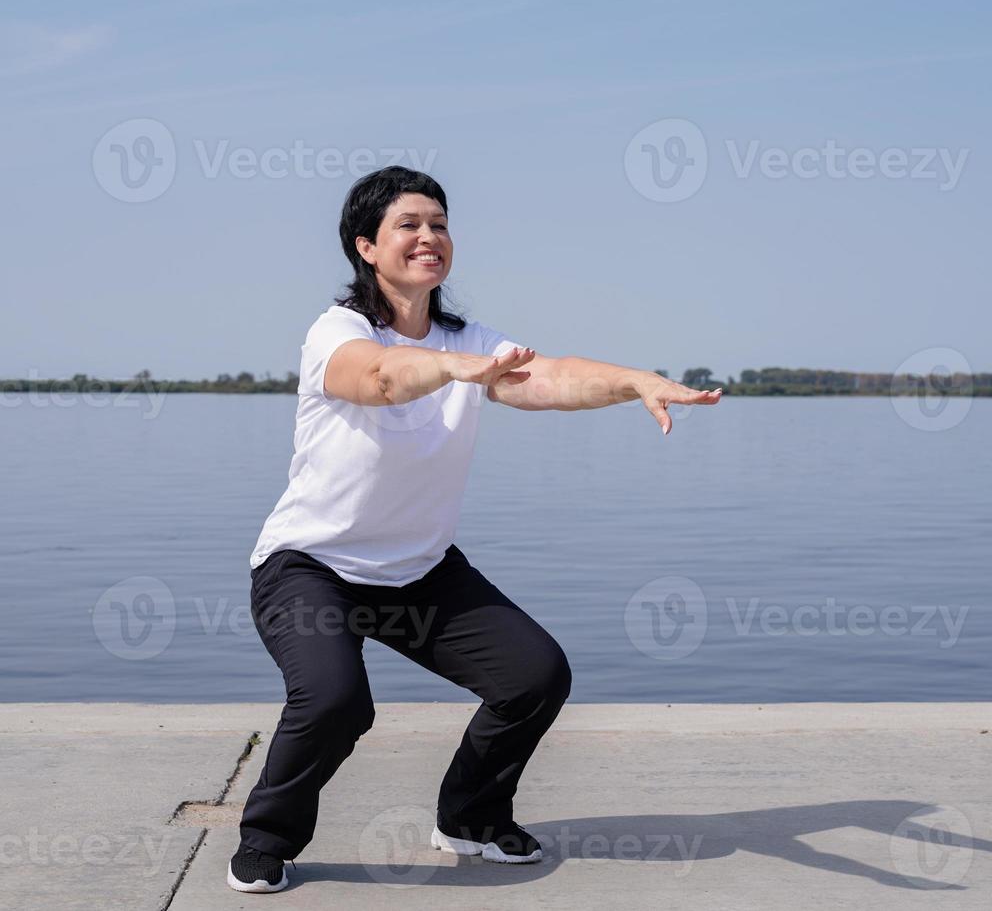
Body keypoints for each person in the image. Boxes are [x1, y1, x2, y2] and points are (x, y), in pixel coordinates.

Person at [227, 166, 721, 893]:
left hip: (419, 571)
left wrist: (633, 381)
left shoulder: (472, 340)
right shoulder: (338, 332)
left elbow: (550, 378)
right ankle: (266, 838)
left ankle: (472, 817)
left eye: (440, 224)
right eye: (409, 225)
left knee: (535, 676)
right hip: (310, 567)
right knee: (335, 702)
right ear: (366, 246)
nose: (430, 237)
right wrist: (458, 367)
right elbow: (382, 380)